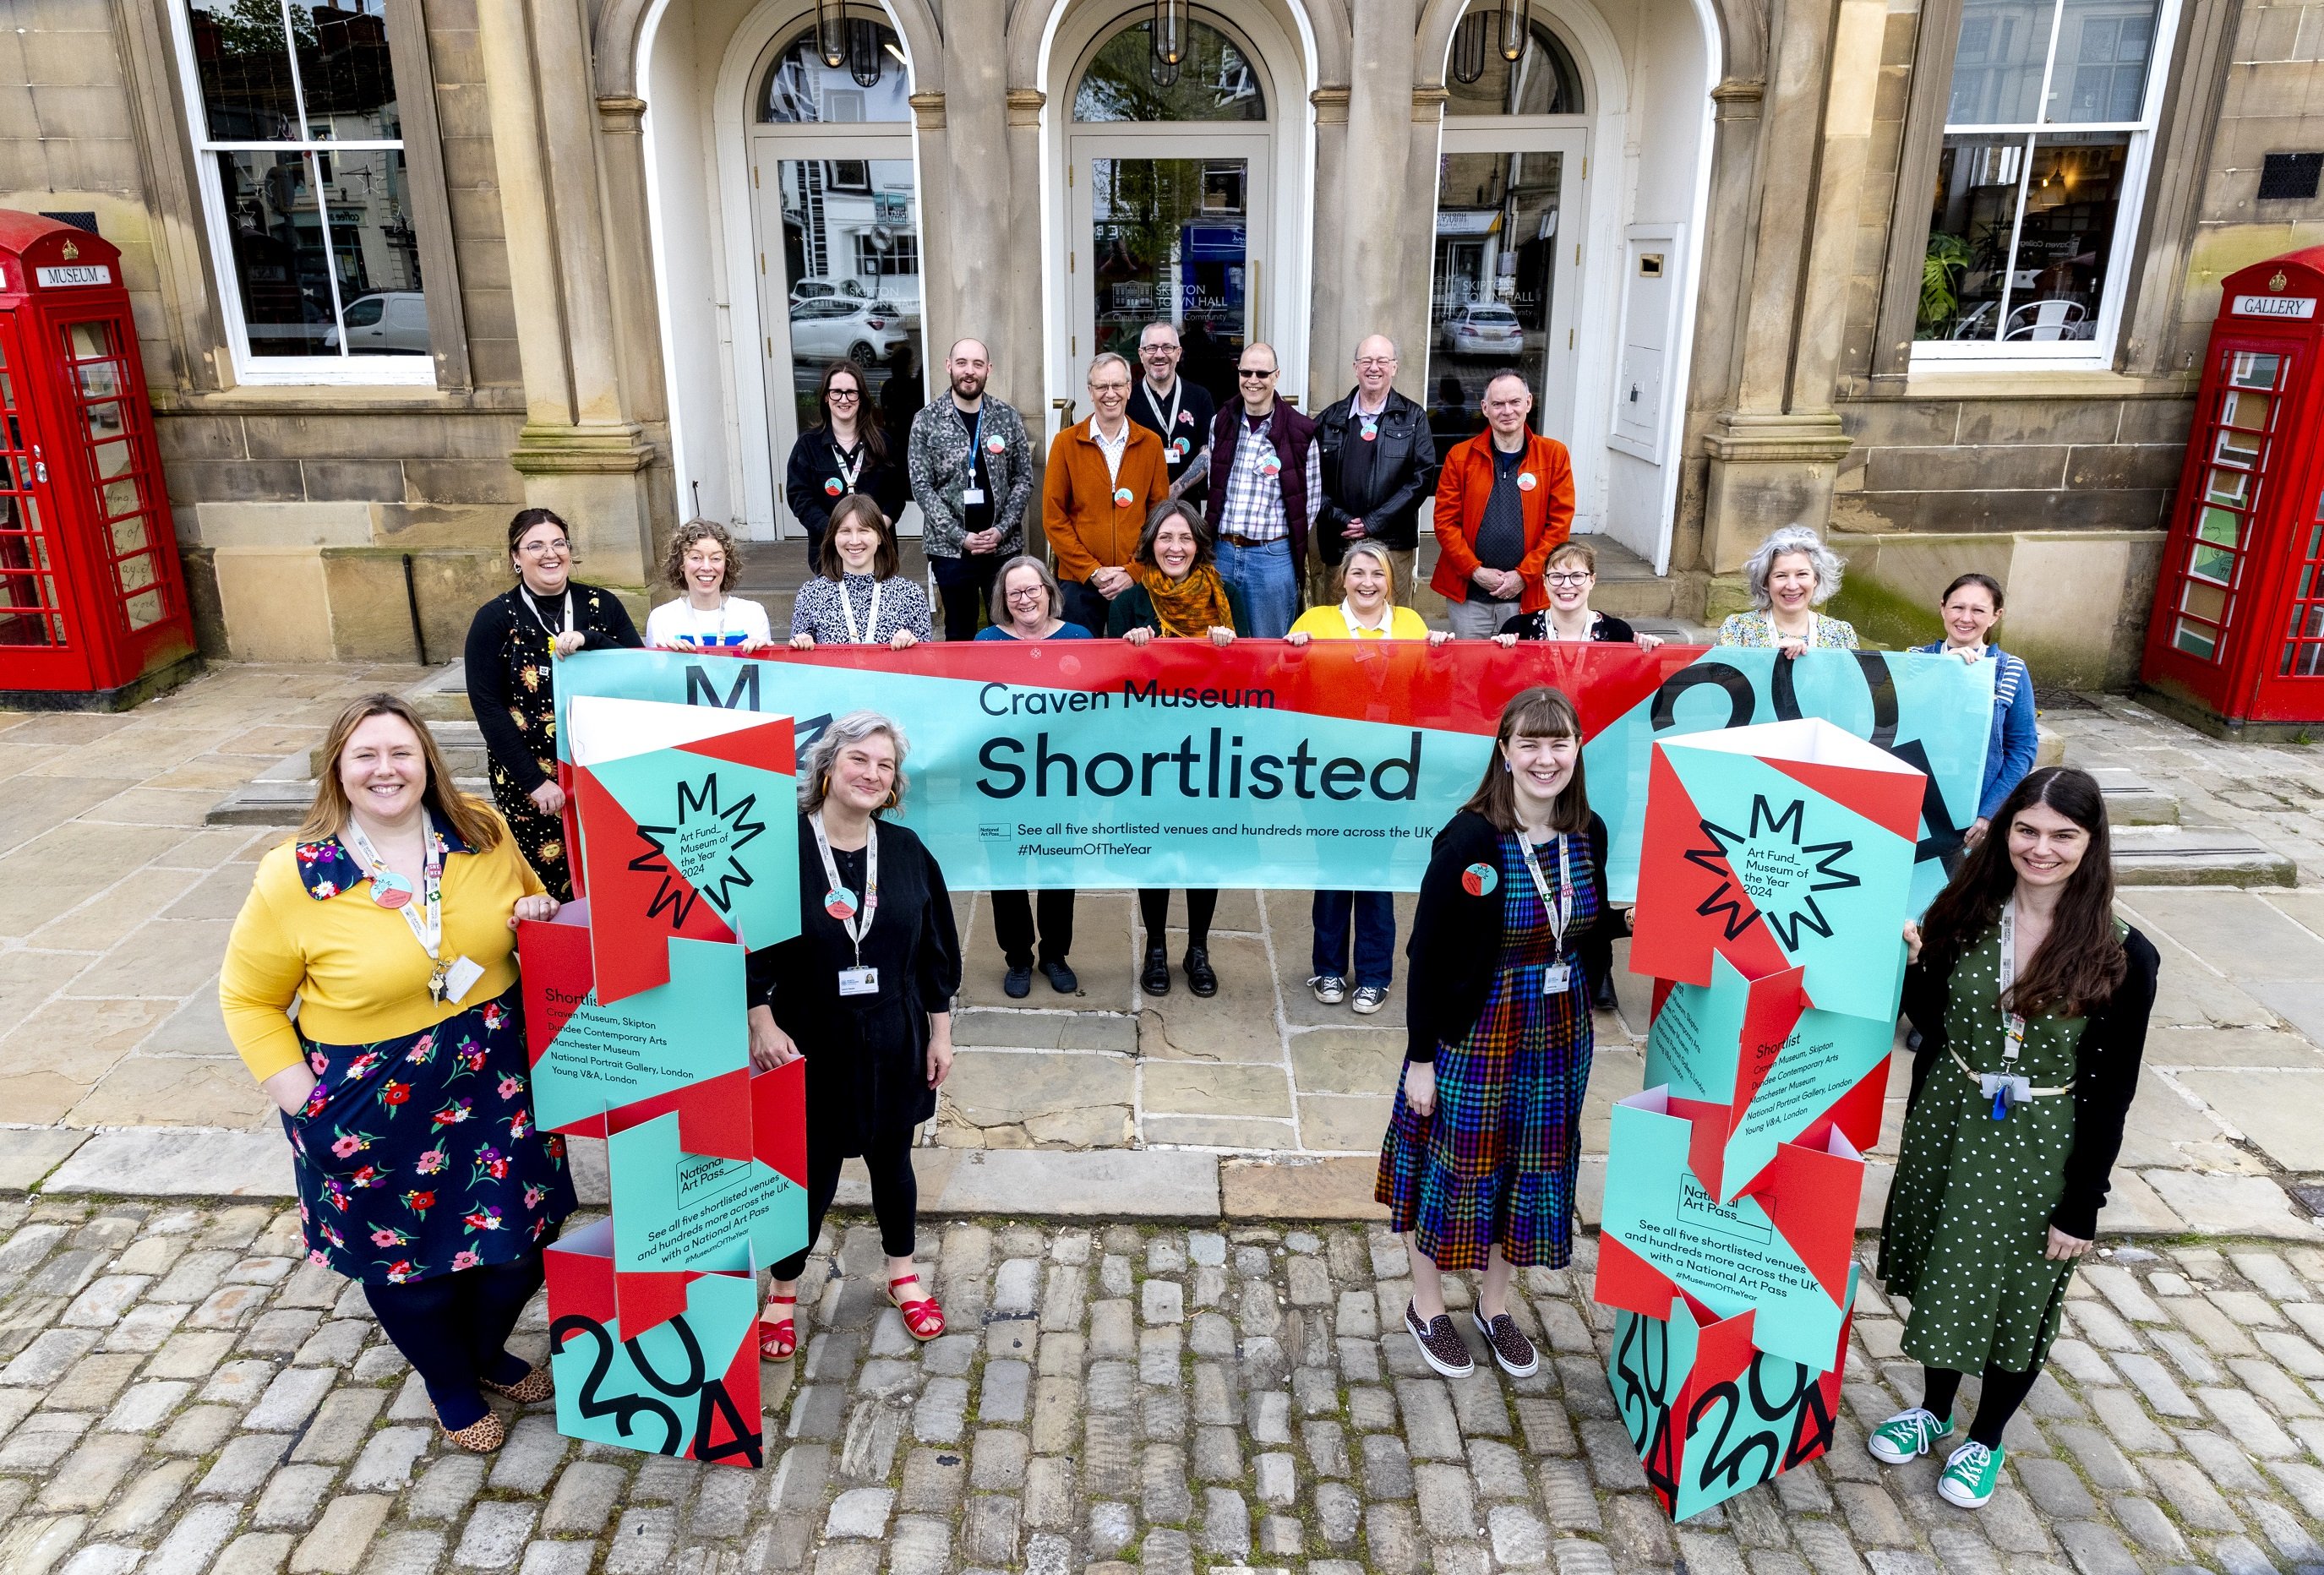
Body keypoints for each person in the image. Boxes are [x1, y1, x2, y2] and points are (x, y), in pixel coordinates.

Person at [220, 694, 577, 1453]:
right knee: (408, 1265)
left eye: (401, 753)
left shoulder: (480, 830)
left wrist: (537, 914)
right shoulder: (295, 875)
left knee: (519, 1247)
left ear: (426, 762)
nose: (387, 770)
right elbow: (247, 999)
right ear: (339, 773)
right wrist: (303, 1101)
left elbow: (523, 908)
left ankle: (482, 1351)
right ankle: (450, 1381)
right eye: (366, 756)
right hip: (371, 1098)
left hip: (494, 1077)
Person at [1868, 766, 2158, 1510]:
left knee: (2019, 1294)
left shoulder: (2124, 954)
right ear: (2004, 832)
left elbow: (2113, 1092)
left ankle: (1986, 1436)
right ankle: (1934, 1410)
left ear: (2091, 845)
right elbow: (1929, 1019)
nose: (2042, 848)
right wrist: (1911, 965)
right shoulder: (1965, 909)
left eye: (2064, 835)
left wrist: (2082, 1204)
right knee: (1945, 1270)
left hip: (2041, 1140)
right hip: (1953, 1118)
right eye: (2026, 829)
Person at [1377, 685, 1625, 1381]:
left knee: (1527, 1170)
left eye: (1559, 744)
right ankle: (1427, 1307)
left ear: (1577, 749)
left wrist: (1647, 921)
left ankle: (1494, 1306)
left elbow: (1586, 923)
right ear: (1505, 751)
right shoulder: (1470, 839)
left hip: (1559, 1032)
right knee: (1452, 1170)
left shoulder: (1588, 831)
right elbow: (1426, 954)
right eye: (1531, 744)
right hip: (1478, 1030)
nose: (1546, 759)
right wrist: (1420, 1058)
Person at [745, 712, 960, 1362]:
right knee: (808, 1173)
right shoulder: (780, 847)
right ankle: (783, 1293)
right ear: (828, 766)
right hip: (811, 1038)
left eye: (885, 765)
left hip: (894, 1035)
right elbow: (748, 943)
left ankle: (902, 1275)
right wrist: (760, 1018)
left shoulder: (905, 850)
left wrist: (939, 1033)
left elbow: (935, 950)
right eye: (860, 759)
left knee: (892, 1162)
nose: (871, 774)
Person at [1285, 542, 1452, 1014]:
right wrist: (1292, 655)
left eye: (1377, 575)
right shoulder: (1314, 623)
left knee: (1376, 873)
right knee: (1333, 870)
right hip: (1326, 773)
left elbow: (1432, 691)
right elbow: (1282, 681)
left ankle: (1375, 974)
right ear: (1343, 579)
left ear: (1390, 583)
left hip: (1389, 774)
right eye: (1358, 573)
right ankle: (1329, 968)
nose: (1367, 583)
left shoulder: (1413, 626)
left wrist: (1440, 657)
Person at [464, 508, 642, 899]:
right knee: (555, 892)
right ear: (515, 557)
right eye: (536, 545)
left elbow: (641, 674)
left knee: (622, 884)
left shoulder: (602, 605)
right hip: (536, 787)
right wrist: (533, 782)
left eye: (558, 543)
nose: (550, 553)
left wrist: (591, 640)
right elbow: (488, 708)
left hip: (608, 775)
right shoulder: (494, 619)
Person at [1110, 501, 1248, 997]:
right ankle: (1155, 949)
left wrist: (1231, 647)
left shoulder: (1227, 594)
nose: (1175, 548)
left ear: (1199, 544)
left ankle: (1199, 948)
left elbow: (1253, 672)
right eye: (1165, 538)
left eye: (1185, 538)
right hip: (1150, 750)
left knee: (1202, 849)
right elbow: (1108, 683)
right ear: (1150, 544)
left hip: (1209, 747)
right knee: (1156, 849)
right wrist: (1131, 648)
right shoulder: (1129, 602)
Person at [979, 556, 1090, 998]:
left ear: (1048, 591)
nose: (1025, 600)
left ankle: (1055, 955)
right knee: (1005, 873)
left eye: (1032, 590)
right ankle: (1018, 958)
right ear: (1004, 602)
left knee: (1059, 870)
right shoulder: (984, 642)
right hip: (1002, 780)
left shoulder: (1079, 638)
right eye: (1015, 593)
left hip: (1060, 777)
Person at [1429, 371, 1576, 639]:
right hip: (1469, 596)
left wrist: (1524, 575)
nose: (1507, 411)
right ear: (1485, 408)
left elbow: (1559, 526)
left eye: (1514, 402)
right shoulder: (1461, 456)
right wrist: (1475, 571)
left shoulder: (1554, 455)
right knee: (1471, 673)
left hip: (1528, 595)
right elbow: (1445, 523)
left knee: (1523, 678)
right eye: (1498, 404)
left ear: (1529, 403)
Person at [908, 337, 1032, 640]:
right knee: (960, 631)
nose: (969, 371)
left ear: (988, 369)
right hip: (950, 551)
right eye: (962, 363)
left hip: (1002, 547)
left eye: (977, 364)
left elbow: (1023, 479)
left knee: (1009, 629)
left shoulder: (1006, 416)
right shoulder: (927, 420)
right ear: (949, 366)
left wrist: (1002, 529)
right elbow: (921, 486)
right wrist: (959, 536)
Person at [1045, 353, 1171, 639]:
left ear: (1129, 389)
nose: (1109, 394)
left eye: (1117, 385)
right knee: (1078, 668)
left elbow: (1160, 517)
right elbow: (1054, 518)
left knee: (1134, 668)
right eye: (1101, 386)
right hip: (1079, 581)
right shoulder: (1066, 443)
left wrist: (1134, 571)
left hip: (1136, 580)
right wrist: (1092, 570)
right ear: (1090, 392)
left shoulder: (1150, 444)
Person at [1203, 341, 1318, 639]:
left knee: (1269, 651)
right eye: (1246, 372)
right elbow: (1214, 488)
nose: (1253, 381)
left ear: (1276, 376)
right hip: (1223, 554)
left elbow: (1310, 503)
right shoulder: (1222, 422)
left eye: (1262, 374)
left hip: (1271, 559)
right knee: (1219, 650)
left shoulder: (1300, 431)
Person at [1913, 573, 2037, 849]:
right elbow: (1888, 720)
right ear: (1943, 607)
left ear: (1995, 615)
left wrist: (1989, 812)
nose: (1966, 618)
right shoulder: (1914, 660)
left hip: (1974, 812)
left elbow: (2022, 747)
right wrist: (1941, 669)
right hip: (1915, 803)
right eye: (1958, 607)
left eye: (1978, 610)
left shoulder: (2012, 670)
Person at [1313, 335, 1437, 608]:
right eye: (1367, 360)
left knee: (1393, 626)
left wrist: (1374, 522)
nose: (1374, 367)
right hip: (1340, 544)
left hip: (1392, 545)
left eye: (1382, 361)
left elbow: (1422, 478)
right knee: (1339, 628)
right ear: (1355, 367)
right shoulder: (1328, 419)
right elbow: (1310, 481)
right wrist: (1342, 519)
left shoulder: (1414, 418)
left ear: (1394, 367)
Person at [786, 361, 911, 571]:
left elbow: (898, 493)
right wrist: (836, 531)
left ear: (861, 397)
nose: (844, 399)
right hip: (828, 554)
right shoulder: (808, 445)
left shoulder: (883, 443)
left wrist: (880, 525)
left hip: (878, 554)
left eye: (851, 393)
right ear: (826, 397)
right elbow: (800, 498)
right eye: (836, 392)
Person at [788, 494, 933, 649]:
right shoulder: (811, 594)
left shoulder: (910, 594)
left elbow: (928, 664)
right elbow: (798, 668)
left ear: (879, 537)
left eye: (864, 530)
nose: (855, 541)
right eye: (845, 531)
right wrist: (802, 645)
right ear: (833, 538)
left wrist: (912, 645)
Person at [1716, 524, 1859, 655]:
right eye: (1781, 575)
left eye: (1802, 574)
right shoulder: (1737, 629)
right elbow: (1720, 683)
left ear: (1816, 579)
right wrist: (1771, 660)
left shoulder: (1841, 634)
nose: (1792, 586)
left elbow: (1854, 683)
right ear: (1766, 581)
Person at [1491, 541, 1665, 648]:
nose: (1567, 585)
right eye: (1557, 576)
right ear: (1544, 581)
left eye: (1577, 576)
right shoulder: (1518, 629)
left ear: (1592, 580)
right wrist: (1500, 653)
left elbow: (1638, 692)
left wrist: (1647, 651)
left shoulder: (1616, 632)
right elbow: (1495, 688)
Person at [644, 518, 773, 651]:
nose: (706, 567)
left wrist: (759, 653)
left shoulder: (752, 613)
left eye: (716, 558)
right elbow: (657, 671)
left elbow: (763, 670)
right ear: (681, 563)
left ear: (726, 564)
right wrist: (671, 658)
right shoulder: (661, 618)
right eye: (696, 558)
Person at [1127, 320, 1218, 504]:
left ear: (1178, 353)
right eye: (1151, 348)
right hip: (1138, 505)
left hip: (1186, 505)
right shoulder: (1127, 399)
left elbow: (1208, 452)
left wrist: (1171, 492)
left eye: (1167, 347)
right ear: (1141, 354)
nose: (1159, 355)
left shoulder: (1200, 397)